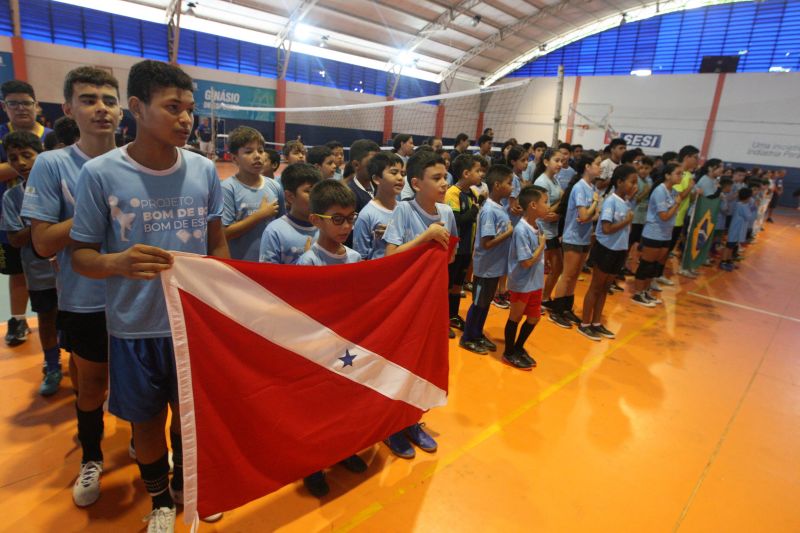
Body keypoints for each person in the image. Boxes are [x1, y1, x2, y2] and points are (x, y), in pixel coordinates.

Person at [70, 60, 229, 531]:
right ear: (137, 108)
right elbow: (80, 254)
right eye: (173, 108)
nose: (185, 119)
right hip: (134, 328)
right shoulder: (100, 173)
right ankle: (160, 501)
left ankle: (187, 486)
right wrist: (116, 262)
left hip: (191, 326)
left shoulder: (203, 170)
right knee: (144, 423)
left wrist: (219, 297)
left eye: (190, 109)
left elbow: (217, 241)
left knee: (189, 418)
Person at [22, 66, 122, 507]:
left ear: (124, 109)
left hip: (141, 298)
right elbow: (42, 243)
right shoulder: (52, 164)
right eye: (88, 99)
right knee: (91, 385)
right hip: (85, 300)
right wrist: (92, 205)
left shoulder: (143, 160)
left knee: (147, 384)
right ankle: (93, 457)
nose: (101, 107)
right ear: (68, 109)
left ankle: (150, 450)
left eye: (108, 99)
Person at [294, 180, 369, 495]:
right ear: (316, 220)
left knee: (345, 405)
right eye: (337, 219)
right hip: (317, 352)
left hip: (347, 349)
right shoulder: (308, 262)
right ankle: (312, 465)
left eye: (351, 218)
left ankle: (343, 450)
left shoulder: (354, 257)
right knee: (316, 411)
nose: (346, 226)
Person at [382, 150, 456, 459]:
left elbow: (449, 255)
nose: (443, 184)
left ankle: (412, 420)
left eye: (444, 177)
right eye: (436, 178)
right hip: (404, 304)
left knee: (422, 364)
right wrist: (426, 236)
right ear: (416, 183)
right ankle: (391, 427)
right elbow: (390, 257)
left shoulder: (447, 213)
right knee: (400, 363)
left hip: (432, 301)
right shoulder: (403, 211)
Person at [1, 131, 60, 395]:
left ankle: (85, 365)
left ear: (42, 156)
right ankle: (52, 365)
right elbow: (14, 239)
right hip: (39, 274)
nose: (21, 163)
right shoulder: (12, 198)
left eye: (27, 155)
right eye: (14, 158)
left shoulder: (62, 188)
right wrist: (42, 223)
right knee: (46, 319)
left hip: (71, 272)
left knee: (79, 321)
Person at [1, 80, 52, 346]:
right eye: (13, 103)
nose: (20, 108)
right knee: (16, 270)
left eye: (26, 103)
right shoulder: (1, 135)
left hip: (52, 220)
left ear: (36, 105)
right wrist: (32, 161)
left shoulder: (51, 135)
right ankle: (18, 318)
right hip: (12, 218)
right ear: (4, 106)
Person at [580, 165, 638, 340]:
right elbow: (606, 228)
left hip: (619, 250)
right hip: (606, 250)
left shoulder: (626, 202)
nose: (634, 186)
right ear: (619, 182)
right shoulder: (611, 201)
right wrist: (626, 221)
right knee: (596, 287)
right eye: (632, 182)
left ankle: (596, 323)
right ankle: (584, 324)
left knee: (605, 288)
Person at [461, 164, 514, 355]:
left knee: (485, 303)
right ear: (498, 185)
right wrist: (509, 232)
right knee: (478, 303)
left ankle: (477, 333)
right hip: (486, 267)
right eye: (509, 183)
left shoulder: (500, 207)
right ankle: (467, 338)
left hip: (495, 267)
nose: (513, 187)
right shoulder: (489, 210)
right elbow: (486, 243)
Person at [549, 155, 601, 329]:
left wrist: (591, 211)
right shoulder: (580, 188)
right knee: (568, 275)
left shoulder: (592, 187)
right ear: (587, 166)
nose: (600, 168)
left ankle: (566, 308)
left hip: (585, 237)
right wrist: (594, 203)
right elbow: (585, 215)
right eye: (597, 164)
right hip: (573, 237)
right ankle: (556, 311)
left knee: (575, 275)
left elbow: (595, 215)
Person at [631, 163, 692, 307]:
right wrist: (677, 204)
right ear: (667, 175)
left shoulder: (673, 191)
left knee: (654, 266)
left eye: (682, 173)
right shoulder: (660, 191)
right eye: (678, 173)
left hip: (666, 234)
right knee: (646, 264)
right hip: (654, 233)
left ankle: (646, 292)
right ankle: (638, 294)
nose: (681, 176)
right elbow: (664, 216)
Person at [221, 126, 284, 261]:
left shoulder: (275, 186)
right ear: (234, 159)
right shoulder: (227, 188)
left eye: (260, 151)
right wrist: (260, 215)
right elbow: (224, 233)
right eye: (249, 151)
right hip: (241, 265)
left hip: (269, 264)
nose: (257, 156)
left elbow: (282, 225)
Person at [504, 185, 549, 370]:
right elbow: (526, 262)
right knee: (515, 317)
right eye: (545, 202)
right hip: (522, 282)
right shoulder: (521, 230)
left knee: (534, 317)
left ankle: (519, 346)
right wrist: (541, 245)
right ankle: (508, 352)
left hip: (535, 282)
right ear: (533, 205)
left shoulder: (537, 225)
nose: (548, 206)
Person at [445, 154, 481, 338]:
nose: (481, 174)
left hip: (468, 247)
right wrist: (476, 208)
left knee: (459, 284)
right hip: (455, 249)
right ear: (466, 173)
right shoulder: (452, 193)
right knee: (448, 285)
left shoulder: (473, 193)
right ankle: (442, 320)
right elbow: (458, 220)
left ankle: (453, 315)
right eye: (478, 171)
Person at [259, 162, 320, 265]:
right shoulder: (275, 231)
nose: (317, 197)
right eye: (309, 191)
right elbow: (268, 275)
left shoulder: (326, 226)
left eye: (318, 190)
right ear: (290, 196)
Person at [352, 152, 403, 260]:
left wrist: (393, 234)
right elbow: (360, 257)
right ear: (376, 179)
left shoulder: (404, 209)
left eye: (402, 173)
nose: (400, 178)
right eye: (394, 173)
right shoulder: (367, 215)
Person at [533, 149, 565, 311]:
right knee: (543, 268)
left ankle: (544, 298)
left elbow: (553, 211)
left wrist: (557, 212)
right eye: (556, 160)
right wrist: (563, 202)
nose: (560, 164)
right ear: (546, 162)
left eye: (561, 161)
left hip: (552, 230)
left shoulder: (555, 181)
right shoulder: (542, 182)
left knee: (557, 267)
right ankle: (537, 300)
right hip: (543, 230)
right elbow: (543, 212)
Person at [672, 145, 700, 278]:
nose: (697, 160)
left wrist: (694, 192)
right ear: (686, 157)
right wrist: (689, 187)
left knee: (669, 248)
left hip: (681, 217)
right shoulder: (678, 173)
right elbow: (677, 196)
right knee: (664, 249)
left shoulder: (688, 175)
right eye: (695, 157)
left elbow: (689, 198)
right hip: (672, 217)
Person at [625, 156, 653, 276]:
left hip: (642, 216)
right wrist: (645, 192)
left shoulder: (649, 181)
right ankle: (622, 265)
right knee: (628, 242)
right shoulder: (636, 181)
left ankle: (627, 263)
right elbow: (633, 199)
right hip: (633, 216)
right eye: (641, 168)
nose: (643, 171)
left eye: (646, 168)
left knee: (635, 243)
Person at [720, 187, 756, 272]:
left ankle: (728, 260)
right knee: (729, 246)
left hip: (737, 229)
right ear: (747, 197)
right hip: (735, 229)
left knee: (732, 246)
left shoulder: (741, 204)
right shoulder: (742, 206)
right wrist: (754, 207)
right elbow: (749, 216)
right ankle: (723, 262)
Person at [347, 139, 381, 211]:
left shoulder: (380, 187)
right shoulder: (349, 194)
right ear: (356, 165)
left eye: (378, 162)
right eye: (372, 162)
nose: (377, 166)